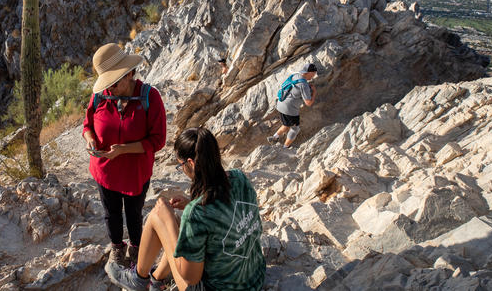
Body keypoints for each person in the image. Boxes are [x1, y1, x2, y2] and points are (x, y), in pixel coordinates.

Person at [106, 127, 265, 291]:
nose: (181, 169)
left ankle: (138, 279)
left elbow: (190, 278)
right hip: (254, 280)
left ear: (191, 163)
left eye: (180, 165)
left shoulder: (197, 213)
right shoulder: (239, 178)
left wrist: (170, 225)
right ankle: (156, 280)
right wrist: (191, 203)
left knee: (159, 215)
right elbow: (225, 212)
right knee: (181, 229)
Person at [83, 43, 167, 267]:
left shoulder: (150, 97)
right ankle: (117, 247)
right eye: (107, 82)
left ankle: (136, 248)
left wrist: (122, 150)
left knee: (133, 214)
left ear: (129, 73)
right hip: (105, 171)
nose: (110, 88)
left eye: (115, 81)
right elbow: (86, 125)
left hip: (135, 173)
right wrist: (90, 139)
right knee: (111, 213)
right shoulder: (101, 96)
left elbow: (158, 140)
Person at [268, 63, 317, 148]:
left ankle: (274, 138)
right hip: (290, 109)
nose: (313, 76)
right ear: (308, 72)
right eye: (313, 74)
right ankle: (285, 148)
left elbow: (295, 87)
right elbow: (308, 103)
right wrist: (314, 93)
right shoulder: (304, 85)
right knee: (295, 129)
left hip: (281, 103)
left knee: (286, 125)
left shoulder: (296, 75)